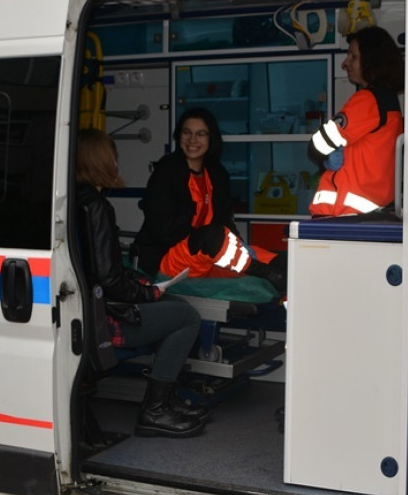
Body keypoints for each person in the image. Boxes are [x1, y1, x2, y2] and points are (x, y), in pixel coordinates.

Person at [75, 128, 206, 438]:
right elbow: (109, 280)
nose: (117, 163)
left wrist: (143, 284)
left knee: (173, 306)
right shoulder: (95, 207)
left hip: (88, 308)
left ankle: (166, 399)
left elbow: (100, 268)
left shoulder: (73, 201)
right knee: (187, 316)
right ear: (101, 161)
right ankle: (155, 410)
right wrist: (147, 292)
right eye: (113, 158)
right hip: (102, 318)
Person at [134, 108, 286, 293]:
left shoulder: (217, 173)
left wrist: (239, 245)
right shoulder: (166, 171)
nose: (192, 140)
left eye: (201, 134)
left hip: (212, 254)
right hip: (170, 258)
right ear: (179, 135)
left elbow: (226, 222)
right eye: (186, 132)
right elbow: (162, 229)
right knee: (214, 236)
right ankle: (263, 272)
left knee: (278, 260)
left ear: (210, 138)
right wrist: (204, 239)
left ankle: (269, 270)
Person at [309, 26, 404, 217]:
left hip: (342, 215)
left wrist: (321, 154)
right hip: (371, 213)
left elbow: (319, 143)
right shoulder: (390, 102)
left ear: (372, 61)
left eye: (353, 56)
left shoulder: (368, 100)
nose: (345, 63)